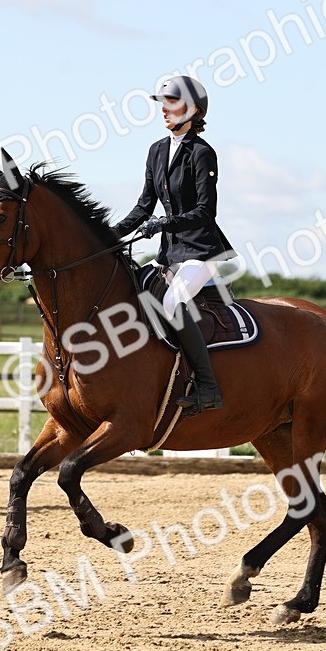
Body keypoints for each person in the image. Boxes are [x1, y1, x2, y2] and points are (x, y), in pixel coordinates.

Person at [114, 75, 234, 416]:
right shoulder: (156, 150)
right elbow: (143, 206)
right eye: (163, 104)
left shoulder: (202, 153)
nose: (165, 110)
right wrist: (108, 235)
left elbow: (205, 212)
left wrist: (164, 223)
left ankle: (208, 386)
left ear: (193, 110)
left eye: (172, 103)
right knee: (133, 292)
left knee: (172, 301)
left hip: (200, 252)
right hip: (169, 253)